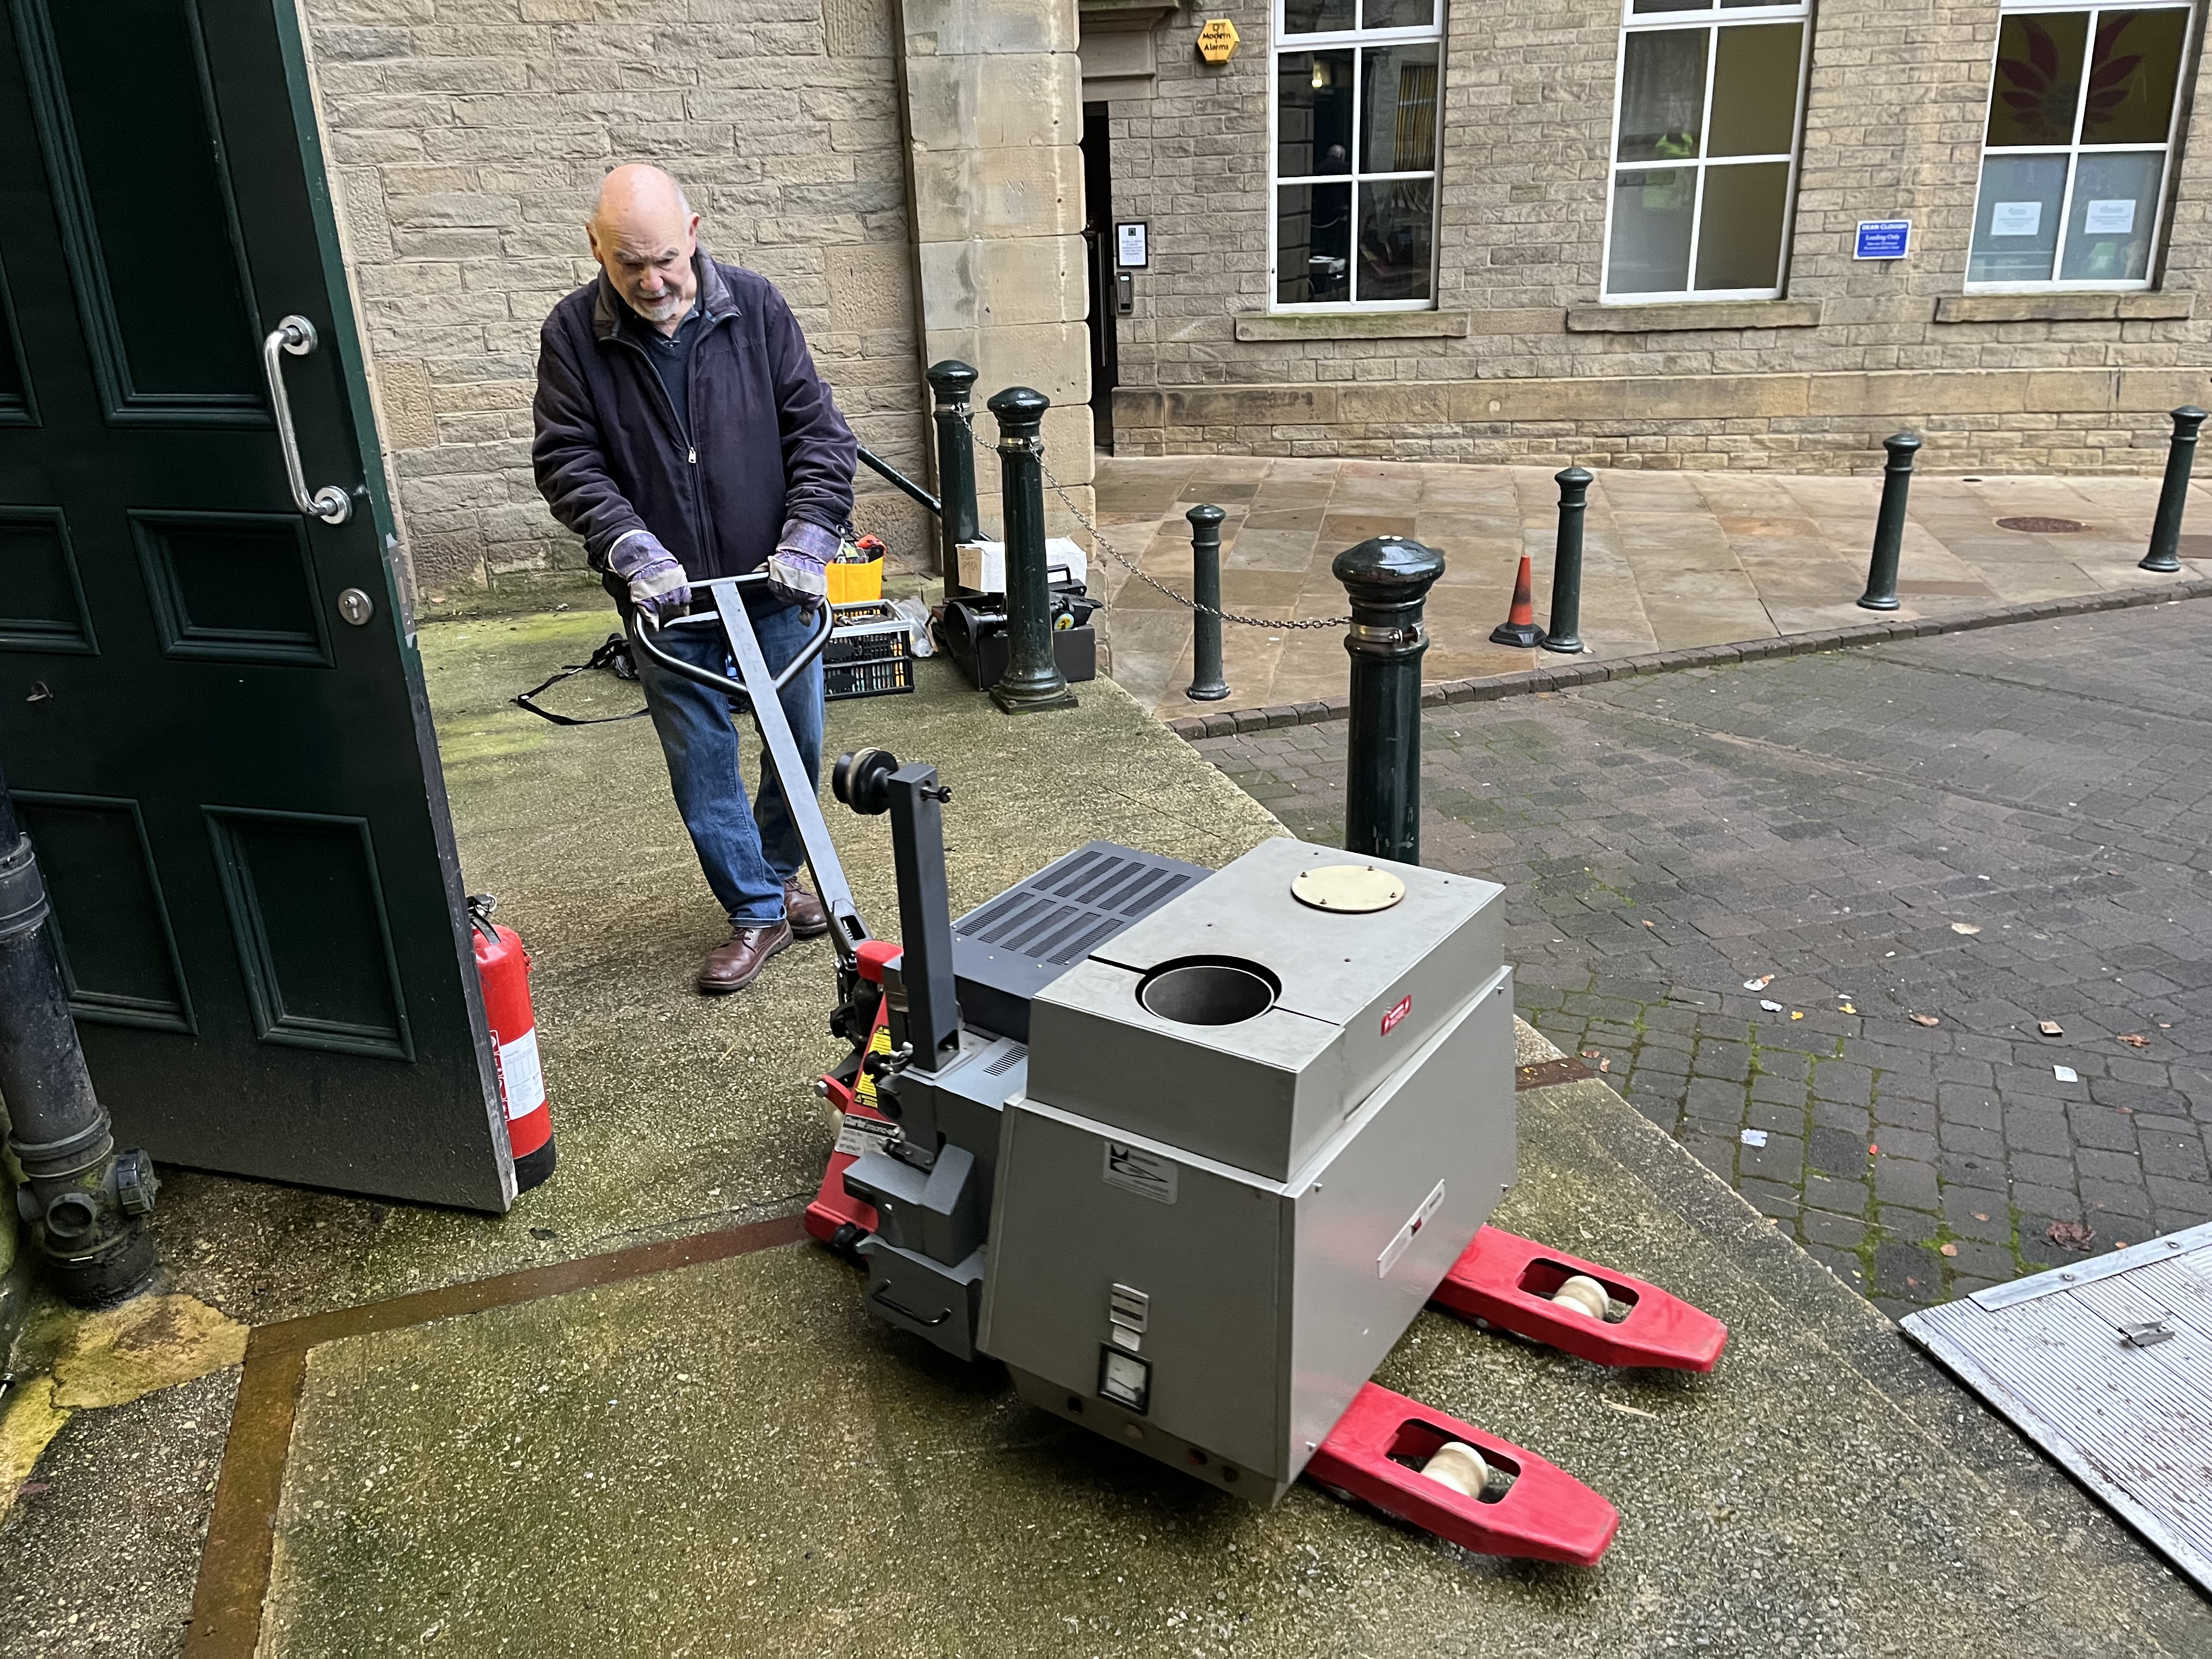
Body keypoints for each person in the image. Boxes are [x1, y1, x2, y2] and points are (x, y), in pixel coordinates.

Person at [532, 165, 855, 993]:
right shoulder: (572, 335)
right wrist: (630, 547)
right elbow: (568, 460)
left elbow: (819, 433)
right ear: (596, 248)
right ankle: (755, 910)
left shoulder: (756, 307)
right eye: (629, 264)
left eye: (665, 260)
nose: (652, 282)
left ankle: (778, 875)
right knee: (703, 759)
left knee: (798, 743)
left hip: (773, 581)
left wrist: (811, 535)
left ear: (695, 234)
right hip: (669, 599)